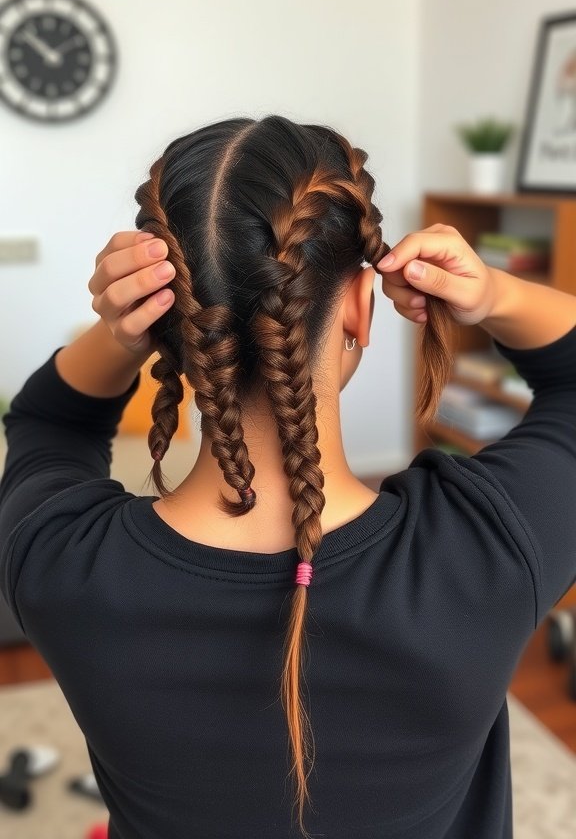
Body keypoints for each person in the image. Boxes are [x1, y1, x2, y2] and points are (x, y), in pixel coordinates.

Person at [0, 114, 575, 839]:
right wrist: (493, 295)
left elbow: (45, 421)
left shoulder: (59, 564)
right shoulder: (489, 550)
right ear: (360, 308)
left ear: (169, 328)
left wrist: (117, 335)